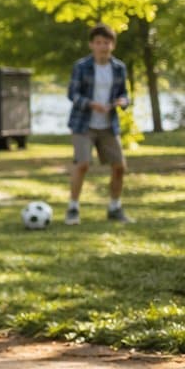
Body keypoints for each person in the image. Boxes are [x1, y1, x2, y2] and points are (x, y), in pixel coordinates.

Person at [65, 23, 132, 225]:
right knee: (82, 164)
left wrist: (122, 102)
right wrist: (91, 104)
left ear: (112, 45)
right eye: (98, 42)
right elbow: (72, 94)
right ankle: (73, 208)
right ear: (91, 45)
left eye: (106, 42)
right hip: (83, 124)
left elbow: (125, 94)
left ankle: (115, 207)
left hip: (108, 125)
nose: (102, 46)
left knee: (120, 167)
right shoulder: (81, 66)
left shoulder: (119, 68)